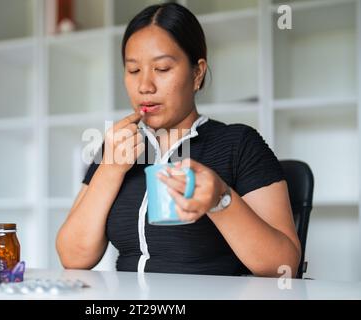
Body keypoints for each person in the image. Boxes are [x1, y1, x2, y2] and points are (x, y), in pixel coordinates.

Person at [56, 3, 301, 277]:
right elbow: (73, 257)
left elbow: (284, 266)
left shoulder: (238, 143)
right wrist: (110, 170)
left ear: (197, 73)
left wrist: (221, 199)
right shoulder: (116, 146)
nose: (145, 86)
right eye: (133, 70)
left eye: (161, 69)